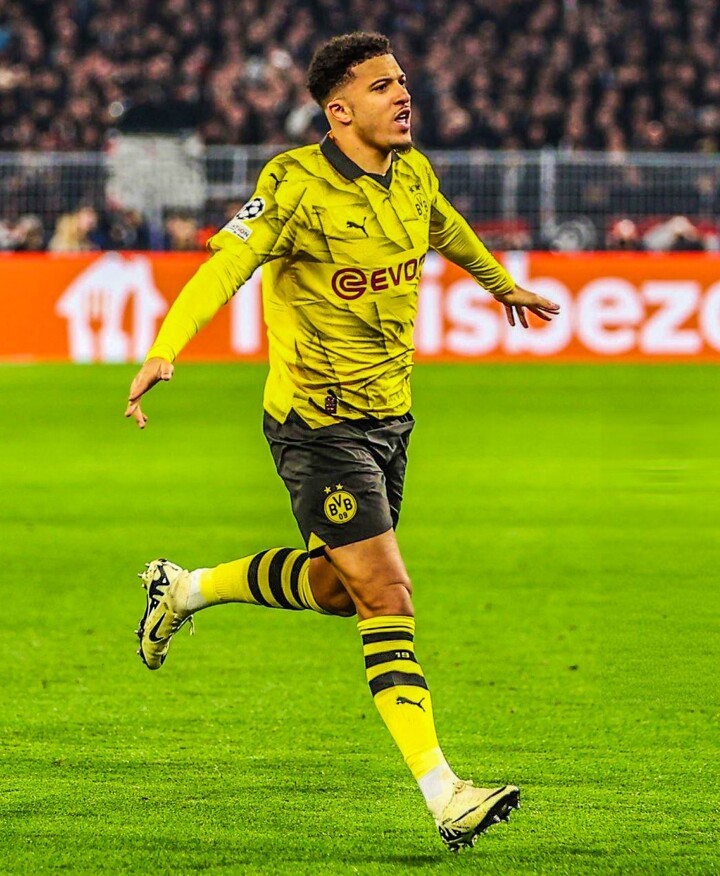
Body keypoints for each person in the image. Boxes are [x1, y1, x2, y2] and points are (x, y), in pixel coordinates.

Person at [124, 32, 560, 852]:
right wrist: (165, 348)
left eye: (403, 81)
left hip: (390, 417)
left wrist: (504, 286)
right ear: (340, 109)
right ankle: (446, 794)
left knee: (335, 588)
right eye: (383, 85)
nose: (403, 94)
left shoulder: (413, 173)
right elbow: (225, 266)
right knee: (387, 595)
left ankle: (182, 590)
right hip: (316, 423)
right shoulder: (293, 185)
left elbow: (447, 228)